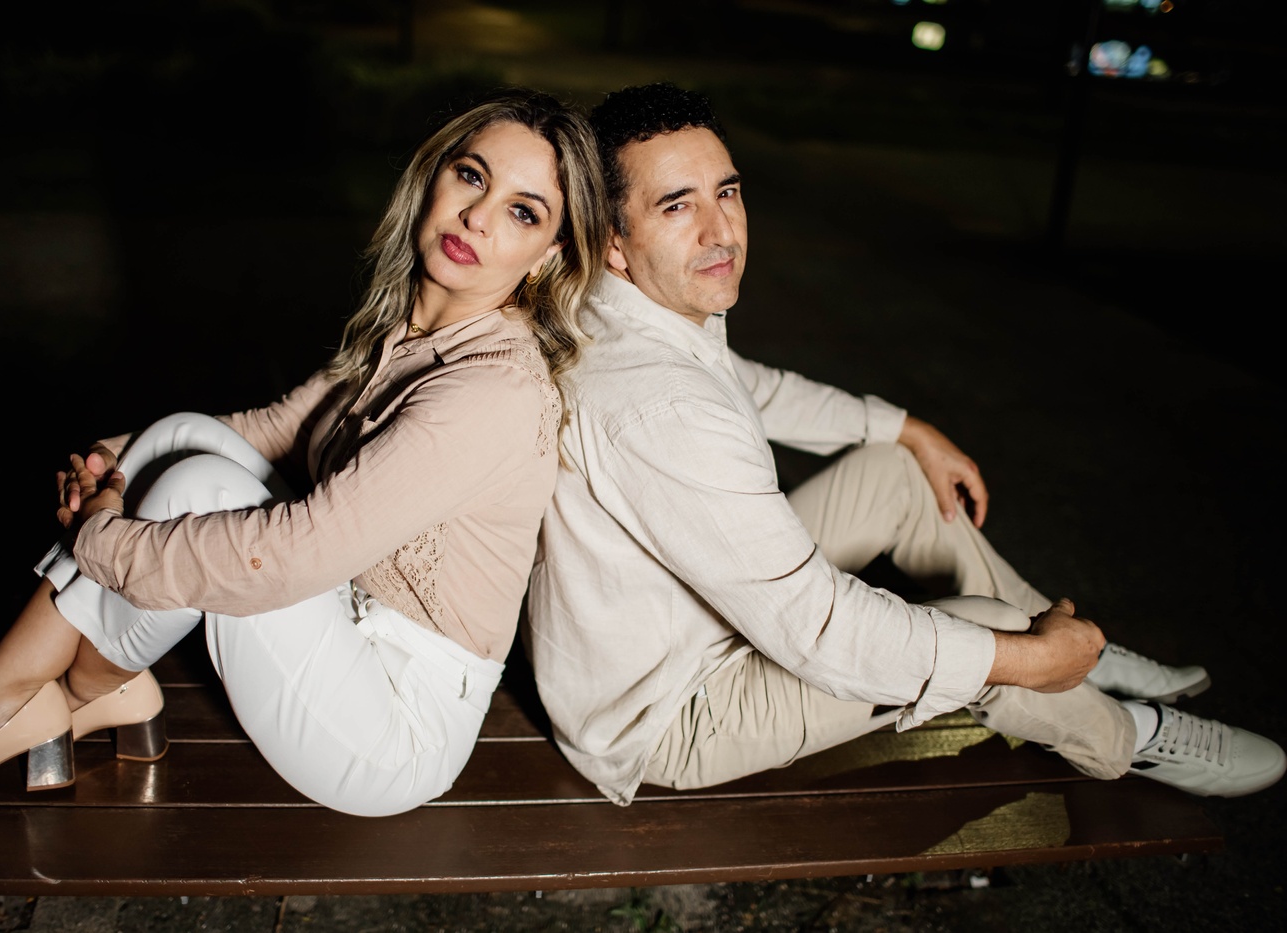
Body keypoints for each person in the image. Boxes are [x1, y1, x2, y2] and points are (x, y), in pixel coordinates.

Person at [524, 82, 1284, 807]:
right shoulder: (658, 406)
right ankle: (1124, 734)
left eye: (726, 192)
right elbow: (819, 627)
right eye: (677, 206)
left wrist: (905, 427)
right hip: (671, 711)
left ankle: (1084, 659)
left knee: (896, 471)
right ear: (614, 240)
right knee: (990, 634)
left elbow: (752, 385)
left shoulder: (632, 306)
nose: (721, 231)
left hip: (694, 619)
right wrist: (1020, 659)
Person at [0, 88, 607, 817]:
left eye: (523, 212)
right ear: (434, 176)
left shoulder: (492, 389)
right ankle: (73, 692)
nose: (478, 216)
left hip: (392, 726)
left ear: (550, 254)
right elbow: (274, 429)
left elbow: (294, 556)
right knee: (182, 437)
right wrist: (113, 459)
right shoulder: (410, 332)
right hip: (342, 621)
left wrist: (100, 536)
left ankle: (20, 703)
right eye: (472, 176)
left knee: (200, 482)